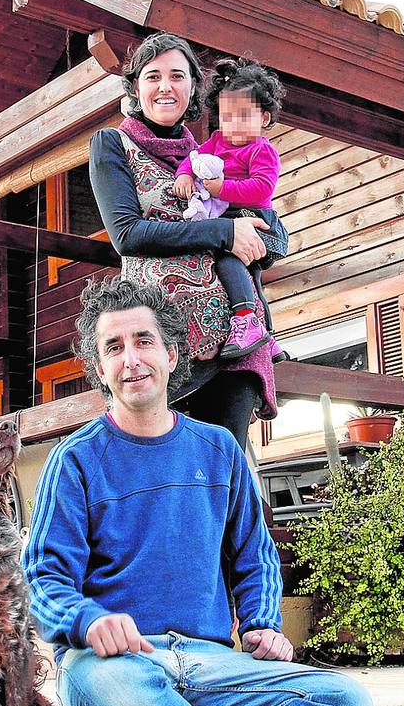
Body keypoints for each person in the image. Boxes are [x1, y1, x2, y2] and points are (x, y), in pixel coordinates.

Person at [23, 278, 375, 706]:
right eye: (114, 348)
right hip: (117, 665)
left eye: (144, 342)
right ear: (100, 369)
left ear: (171, 353)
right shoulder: (74, 461)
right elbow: (42, 580)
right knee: (126, 698)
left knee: (346, 704)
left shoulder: (218, 450)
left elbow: (253, 553)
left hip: (211, 663)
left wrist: (261, 623)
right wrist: (87, 620)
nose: (131, 360)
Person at [88, 33, 280, 451]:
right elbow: (127, 235)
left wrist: (260, 234)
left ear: (194, 87)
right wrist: (226, 232)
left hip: (233, 342)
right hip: (159, 342)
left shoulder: (210, 155)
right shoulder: (112, 145)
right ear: (136, 87)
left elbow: (268, 226)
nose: (165, 86)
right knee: (160, 464)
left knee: (222, 466)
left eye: (178, 75)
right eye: (153, 76)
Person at [172, 58, 289, 361]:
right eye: (227, 117)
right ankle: (267, 337)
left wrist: (220, 189)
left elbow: (262, 189)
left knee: (227, 257)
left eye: (243, 116)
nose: (233, 125)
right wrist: (185, 174)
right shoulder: (217, 141)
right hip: (232, 221)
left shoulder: (262, 149)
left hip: (258, 222)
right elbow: (193, 158)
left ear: (263, 118)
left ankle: (245, 318)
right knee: (251, 279)